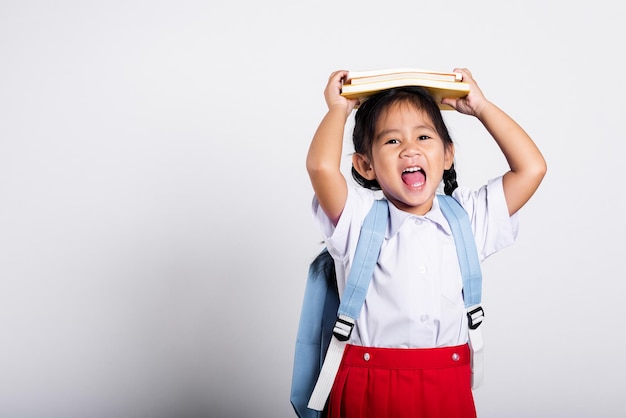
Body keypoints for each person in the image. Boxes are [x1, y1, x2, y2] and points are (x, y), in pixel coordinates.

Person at [305, 68, 546, 418]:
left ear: (447, 155)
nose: (409, 150)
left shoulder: (468, 218)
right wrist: (338, 110)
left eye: (423, 137)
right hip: (367, 387)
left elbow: (532, 168)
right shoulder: (356, 221)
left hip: (446, 389)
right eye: (392, 141)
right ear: (365, 165)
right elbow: (322, 167)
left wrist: (481, 107)